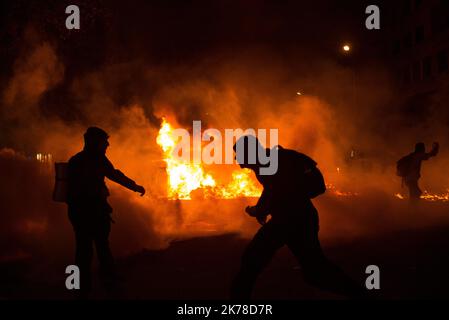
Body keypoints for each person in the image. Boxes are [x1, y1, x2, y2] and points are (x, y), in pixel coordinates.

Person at [230, 135, 362, 299]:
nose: (237, 160)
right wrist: (260, 208)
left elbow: (281, 191)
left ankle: (359, 293)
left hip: (293, 220)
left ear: (250, 152)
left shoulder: (274, 162)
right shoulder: (267, 163)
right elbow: (272, 190)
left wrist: (261, 209)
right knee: (313, 270)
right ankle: (358, 293)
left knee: (254, 260)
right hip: (293, 219)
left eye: (239, 155)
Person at [66, 127, 145, 297]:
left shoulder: (75, 160)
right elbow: (115, 175)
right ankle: (109, 281)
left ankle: (80, 287)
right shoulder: (97, 159)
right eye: (104, 141)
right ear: (95, 142)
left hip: (77, 213)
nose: (107, 144)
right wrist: (135, 186)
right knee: (102, 246)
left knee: (83, 249)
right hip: (94, 212)